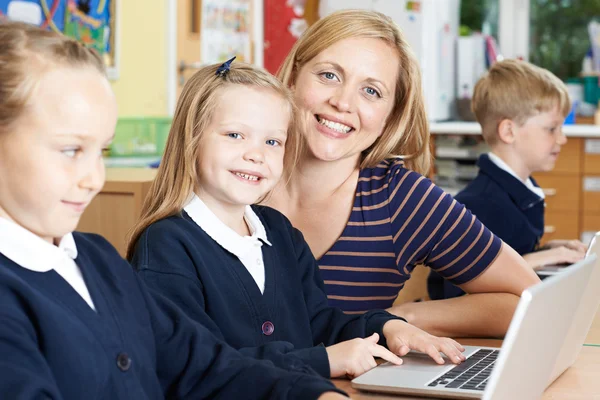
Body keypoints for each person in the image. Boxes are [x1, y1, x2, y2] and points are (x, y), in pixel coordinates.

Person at [0, 21, 347, 400]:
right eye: (70, 151)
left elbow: (204, 365)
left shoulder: (97, 260)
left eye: (101, 152)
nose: (92, 179)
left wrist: (310, 393)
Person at [127, 60, 466, 380]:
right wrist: (323, 361)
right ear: (192, 139)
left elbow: (319, 322)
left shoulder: (279, 232)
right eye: (235, 135)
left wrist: (388, 327)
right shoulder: (165, 246)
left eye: (272, 141)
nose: (256, 154)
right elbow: (196, 367)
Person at [267, 9, 540, 338]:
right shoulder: (232, 172)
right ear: (294, 77)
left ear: (390, 116)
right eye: (329, 75)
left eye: (371, 91)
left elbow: (530, 301)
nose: (342, 102)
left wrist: (400, 318)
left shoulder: (400, 199)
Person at [427, 59, 587, 300]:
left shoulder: (520, 192)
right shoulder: (479, 205)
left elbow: (510, 252)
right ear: (509, 132)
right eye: (552, 129)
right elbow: (456, 292)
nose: (562, 139)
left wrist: (549, 251)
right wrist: (536, 260)